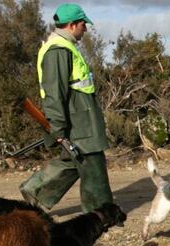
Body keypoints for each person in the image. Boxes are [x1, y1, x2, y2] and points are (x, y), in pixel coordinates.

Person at [20, 3, 113, 213]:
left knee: (72, 160)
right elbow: (54, 92)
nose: (85, 29)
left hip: (80, 119)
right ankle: (101, 213)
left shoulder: (65, 48)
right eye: (83, 24)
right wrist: (58, 127)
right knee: (93, 164)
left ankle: (35, 191)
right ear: (71, 25)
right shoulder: (58, 51)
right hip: (79, 123)